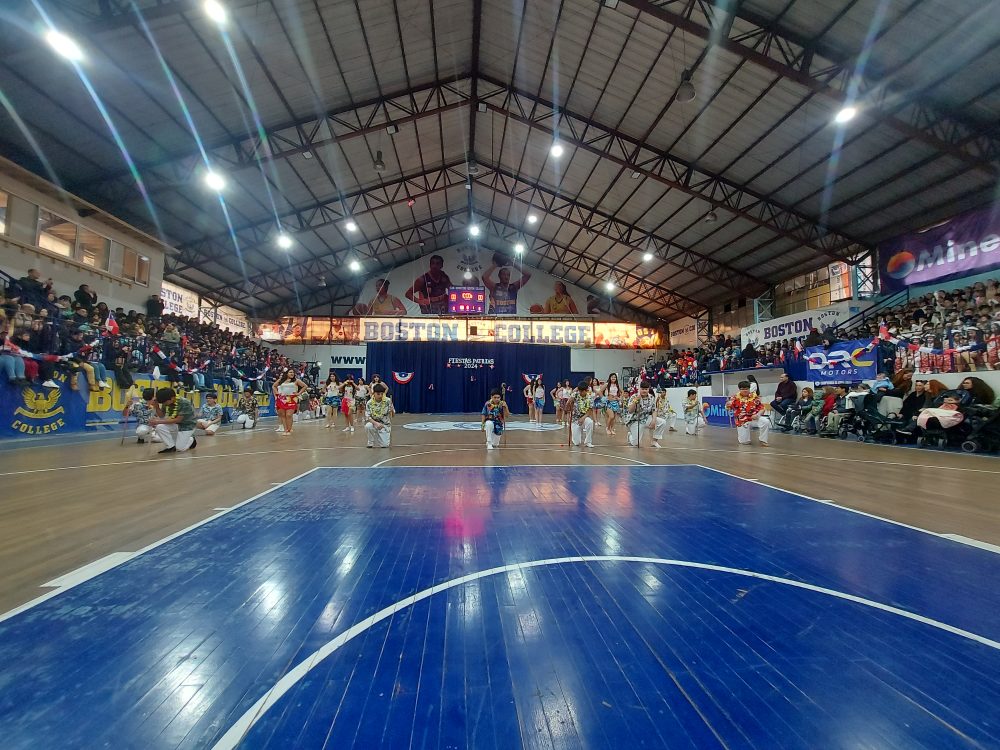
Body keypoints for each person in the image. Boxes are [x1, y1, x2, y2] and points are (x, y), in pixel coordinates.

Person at [150, 387, 197, 454]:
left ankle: (191, 440)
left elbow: (178, 420)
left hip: (187, 426)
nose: (164, 404)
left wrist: (157, 421)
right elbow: (161, 415)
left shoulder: (184, 403)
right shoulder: (166, 402)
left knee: (180, 448)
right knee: (160, 427)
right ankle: (170, 446)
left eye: (165, 402)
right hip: (175, 424)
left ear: (172, 398)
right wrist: (157, 407)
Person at [726, 380, 771, 446]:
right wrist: (727, 405)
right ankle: (744, 439)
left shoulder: (755, 397)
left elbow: (762, 408)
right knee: (744, 442)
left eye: (746, 389)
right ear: (739, 389)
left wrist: (758, 415)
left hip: (754, 418)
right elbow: (728, 407)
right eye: (742, 389)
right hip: (742, 421)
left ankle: (763, 440)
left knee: (765, 421)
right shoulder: (734, 398)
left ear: (749, 389)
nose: (745, 390)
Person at [625, 380, 666, 448]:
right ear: (639, 389)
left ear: (648, 389)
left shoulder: (651, 397)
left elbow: (654, 410)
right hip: (635, 420)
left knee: (662, 422)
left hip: (646, 418)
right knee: (635, 443)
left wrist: (653, 420)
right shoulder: (634, 396)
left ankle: (654, 441)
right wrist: (635, 401)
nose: (644, 391)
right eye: (642, 389)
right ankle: (630, 436)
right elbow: (630, 411)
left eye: (646, 389)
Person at [566, 378, 605, 448]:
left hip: (584, 417)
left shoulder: (590, 398)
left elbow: (589, 411)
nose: (580, 393)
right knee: (577, 443)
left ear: (586, 390)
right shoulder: (575, 395)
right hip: (575, 419)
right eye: (579, 391)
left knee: (590, 422)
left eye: (582, 391)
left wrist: (583, 419)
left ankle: (588, 441)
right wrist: (569, 406)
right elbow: (568, 404)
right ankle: (576, 436)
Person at [273, 367, 307, 436]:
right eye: (290, 372)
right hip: (282, 399)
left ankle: (289, 429)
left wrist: (298, 393)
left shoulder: (296, 380)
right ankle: (285, 430)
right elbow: (274, 386)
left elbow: (305, 386)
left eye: (293, 372)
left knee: (289, 415)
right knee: (283, 415)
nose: (292, 374)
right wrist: (277, 394)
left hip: (291, 398)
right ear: (287, 373)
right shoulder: (281, 380)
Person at [364, 382, 395, 448]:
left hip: (385, 425)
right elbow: (367, 416)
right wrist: (376, 423)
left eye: (382, 394)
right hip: (374, 423)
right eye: (378, 394)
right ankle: (370, 441)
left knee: (385, 445)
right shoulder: (369, 403)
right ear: (373, 393)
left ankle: (381, 436)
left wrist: (392, 410)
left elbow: (393, 416)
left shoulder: (388, 401)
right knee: (368, 426)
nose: (380, 396)